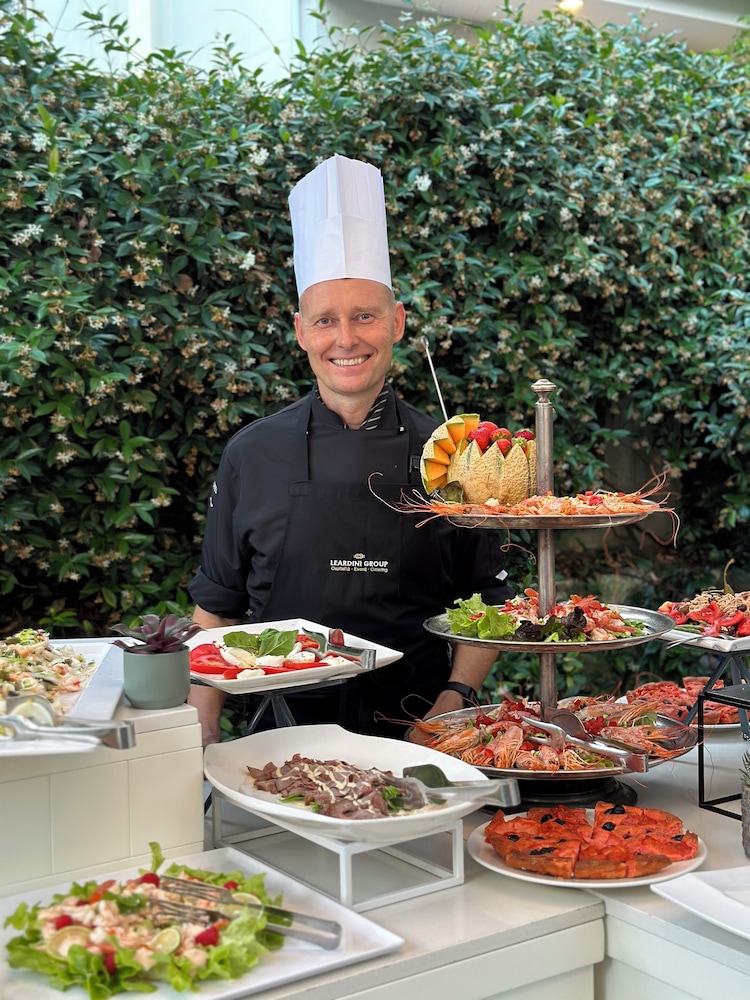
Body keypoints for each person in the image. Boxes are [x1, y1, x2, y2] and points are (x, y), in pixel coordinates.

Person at [188, 154, 512, 745]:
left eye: (365, 316)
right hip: (275, 731)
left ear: (397, 322)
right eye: (325, 321)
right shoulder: (252, 452)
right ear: (300, 331)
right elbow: (218, 601)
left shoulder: (454, 454)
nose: (346, 339)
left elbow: (488, 600)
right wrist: (201, 723)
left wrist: (454, 702)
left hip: (416, 727)